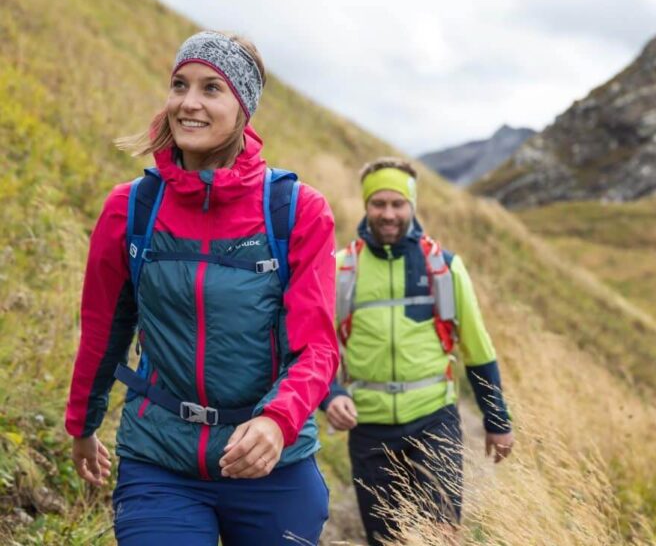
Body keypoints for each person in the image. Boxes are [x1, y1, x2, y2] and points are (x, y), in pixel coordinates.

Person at [65, 30, 338, 545]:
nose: (189, 103)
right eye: (179, 85)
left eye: (212, 88)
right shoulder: (131, 208)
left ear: (243, 109)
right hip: (159, 460)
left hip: (270, 466)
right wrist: (82, 423)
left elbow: (318, 347)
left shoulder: (296, 211)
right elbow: (104, 329)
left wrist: (277, 423)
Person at [321, 158, 514, 545]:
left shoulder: (444, 267)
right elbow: (315, 346)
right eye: (379, 204)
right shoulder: (340, 269)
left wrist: (497, 421)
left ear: (411, 206)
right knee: (384, 537)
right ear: (366, 206)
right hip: (369, 428)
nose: (388, 214)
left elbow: (478, 349)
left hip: (434, 421)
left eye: (397, 204)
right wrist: (331, 395)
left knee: (440, 534)